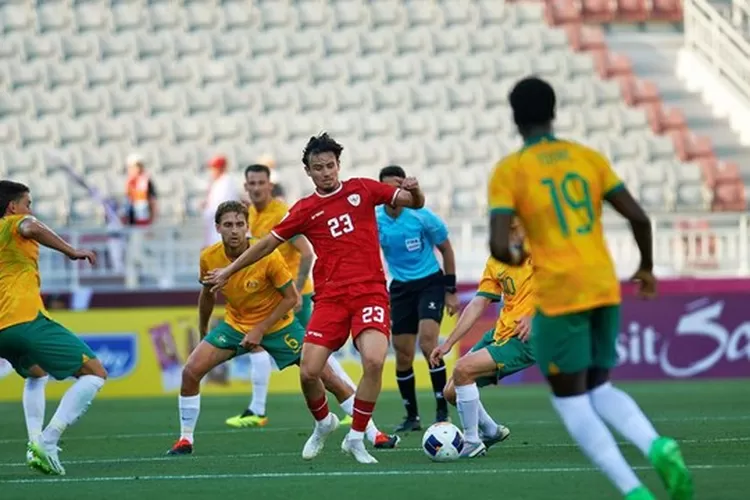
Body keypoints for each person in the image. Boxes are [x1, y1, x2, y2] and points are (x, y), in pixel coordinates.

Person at [486, 77, 692, 500]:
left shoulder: (510, 170)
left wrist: (517, 251)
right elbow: (638, 217)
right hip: (603, 284)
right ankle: (657, 444)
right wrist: (647, 269)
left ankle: (635, 492)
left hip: (560, 294)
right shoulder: (587, 158)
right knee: (599, 386)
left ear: (515, 117)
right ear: (554, 111)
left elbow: (497, 244)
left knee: (570, 400)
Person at [203, 133, 424, 464]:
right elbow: (265, 245)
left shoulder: (363, 189)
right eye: (318, 167)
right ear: (308, 171)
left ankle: (356, 437)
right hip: (331, 298)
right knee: (309, 371)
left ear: (338, 165)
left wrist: (415, 189)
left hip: (369, 292)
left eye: (330, 166)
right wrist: (229, 270)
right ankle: (323, 424)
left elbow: (413, 202)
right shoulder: (305, 209)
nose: (326, 172)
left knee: (375, 360)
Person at [168, 201, 398, 455]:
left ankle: (373, 433)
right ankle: (185, 439)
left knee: (329, 378)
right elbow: (207, 295)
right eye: (228, 225)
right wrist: (203, 330)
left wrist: (260, 329)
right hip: (236, 324)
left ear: (247, 227)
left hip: (280, 325)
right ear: (218, 228)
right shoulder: (208, 257)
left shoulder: (267, 254)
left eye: (239, 225)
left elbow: (292, 298)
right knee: (190, 371)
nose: (234, 230)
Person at [224, 164, 353, 429]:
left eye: (262, 183)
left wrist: (296, 292)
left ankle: (352, 401)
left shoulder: (281, 213)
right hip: (271, 298)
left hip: (295, 296)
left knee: (317, 354)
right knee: (257, 345)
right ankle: (257, 410)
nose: (257, 188)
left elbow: (306, 253)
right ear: (246, 187)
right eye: (253, 183)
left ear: (270, 186)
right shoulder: (248, 215)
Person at [0, 180, 107, 476]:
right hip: (25, 320)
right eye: (27, 204)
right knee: (95, 373)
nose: (30, 210)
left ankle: (34, 442)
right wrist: (71, 251)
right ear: (12, 207)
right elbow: (31, 227)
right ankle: (48, 440)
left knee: (36, 373)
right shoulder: (14, 222)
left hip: (3, 331)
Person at [431, 218, 533, 457]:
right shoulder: (498, 257)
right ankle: (491, 430)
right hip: (501, 333)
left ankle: (472, 441)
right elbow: (479, 303)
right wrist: (449, 342)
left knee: (463, 369)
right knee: (451, 392)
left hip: (528, 335)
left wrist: (532, 315)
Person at [376, 165, 458, 432]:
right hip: (400, 287)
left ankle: (442, 409)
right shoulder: (374, 218)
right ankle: (412, 416)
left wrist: (450, 290)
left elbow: (446, 249)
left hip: (429, 282)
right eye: (388, 186)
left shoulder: (422, 216)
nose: (394, 191)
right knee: (401, 353)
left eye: (398, 186)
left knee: (428, 342)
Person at [203, 155, 240, 248]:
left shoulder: (225, 182)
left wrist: (206, 211)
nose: (212, 171)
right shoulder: (218, 182)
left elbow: (219, 207)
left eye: (215, 168)